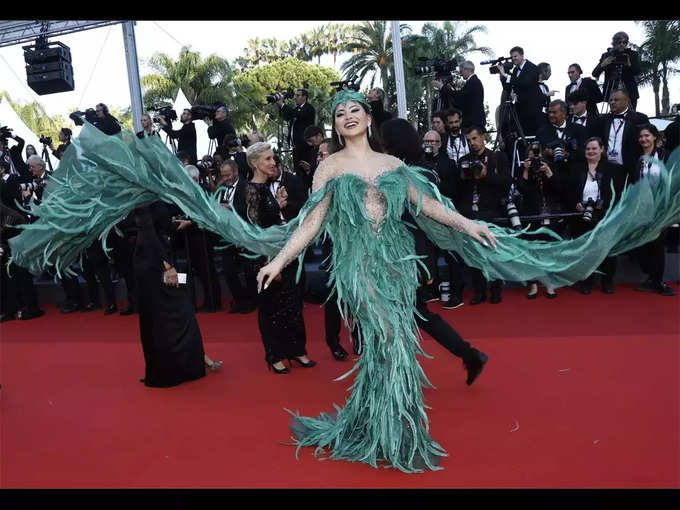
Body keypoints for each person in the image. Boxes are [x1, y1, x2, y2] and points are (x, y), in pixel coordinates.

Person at [10, 91, 680, 473]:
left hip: (395, 261)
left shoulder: (393, 160)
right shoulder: (328, 173)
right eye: (338, 114)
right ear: (332, 127)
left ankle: (384, 424)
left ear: (369, 115)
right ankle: (398, 434)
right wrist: (276, 259)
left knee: (393, 343)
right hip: (359, 268)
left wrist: (472, 227)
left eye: (354, 109)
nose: (346, 117)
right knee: (387, 334)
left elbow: (428, 207)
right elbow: (309, 225)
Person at [133, 201, 222, 387]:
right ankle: (176, 367)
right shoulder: (143, 199)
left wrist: (176, 224)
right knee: (174, 314)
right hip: (154, 265)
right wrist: (167, 265)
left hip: (155, 260)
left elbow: (158, 227)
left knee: (172, 315)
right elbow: (148, 234)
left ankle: (192, 361)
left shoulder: (153, 195)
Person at [245, 142, 315, 374]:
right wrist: (265, 263)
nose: (273, 162)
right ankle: (274, 355)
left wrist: (280, 205)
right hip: (268, 258)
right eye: (267, 159)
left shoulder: (269, 188)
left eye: (273, 158)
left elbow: (276, 218)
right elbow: (254, 230)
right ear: (255, 163)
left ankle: (296, 350)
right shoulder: (252, 190)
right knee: (271, 307)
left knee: (293, 304)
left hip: (286, 254)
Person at [451, 126, 512, 305]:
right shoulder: (464, 160)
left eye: (475, 139)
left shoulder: (497, 157)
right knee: (474, 253)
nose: (472, 143)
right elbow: (457, 191)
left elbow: (507, 183)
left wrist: (486, 176)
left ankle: (495, 289)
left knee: (492, 252)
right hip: (470, 212)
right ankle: (479, 290)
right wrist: (462, 177)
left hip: (491, 212)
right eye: (469, 141)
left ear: (483, 138)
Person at [566, 137, 622, 294]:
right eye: (588, 149)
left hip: (605, 215)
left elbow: (617, 192)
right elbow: (568, 192)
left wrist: (606, 205)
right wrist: (575, 203)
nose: (590, 151)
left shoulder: (612, 169)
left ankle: (608, 281)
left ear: (602, 149)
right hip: (581, 216)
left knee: (607, 251)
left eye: (594, 148)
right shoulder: (577, 168)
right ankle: (586, 281)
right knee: (585, 251)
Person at [631, 124, 675, 296]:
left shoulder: (666, 156)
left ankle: (659, 281)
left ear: (655, 137)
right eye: (641, 136)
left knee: (657, 243)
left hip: (661, 207)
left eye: (647, 136)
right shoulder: (639, 159)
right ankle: (650, 277)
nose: (644, 139)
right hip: (642, 207)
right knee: (645, 243)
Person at [214, 159, 257, 314]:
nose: (226, 178)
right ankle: (240, 300)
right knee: (228, 270)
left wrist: (231, 208)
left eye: (228, 175)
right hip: (227, 236)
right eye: (223, 175)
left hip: (245, 234)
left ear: (236, 171)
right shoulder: (222, 188)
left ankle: (252, 301)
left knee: (249, 270)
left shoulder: (247, 186)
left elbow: (251, 211)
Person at [591, 89, 649, 175]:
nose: (612, 102)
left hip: (631, 169)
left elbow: (648, 142)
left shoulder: (639, 119)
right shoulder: (602, 120)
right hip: (607, 169)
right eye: (610, 100)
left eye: (616, 100)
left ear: (626, 101)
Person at [496, 46, 546, 136]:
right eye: (512, 57)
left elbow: (525, 82)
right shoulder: (515, 70)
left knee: (533, 136)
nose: (513, 59)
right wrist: (502, 77)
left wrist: (507, 76)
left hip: (533, 110)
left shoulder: (533, 67)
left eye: (515, 56)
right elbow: (508, 88)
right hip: (520, 110)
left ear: (522, 55)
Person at [592, 32, 641, 109]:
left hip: (629, 91)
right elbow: (594, 73)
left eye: (625, 42)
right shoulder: (606, 55)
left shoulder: (632, 54)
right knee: (614, 113)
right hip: (612, 90)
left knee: (631, 116)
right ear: (614, 43)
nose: (622, 44)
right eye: (619, 42)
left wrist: (629, 64)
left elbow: (637, 71)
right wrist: (603, 64)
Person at [277, 89, 315, 173]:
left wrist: (283, 105)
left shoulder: (308, 108)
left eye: (298, 95)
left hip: (306, 147)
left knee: (306, 171)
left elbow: (297, 114)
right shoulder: (297, 109)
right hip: (296, 146)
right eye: (295, 95)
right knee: (298, 171)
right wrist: (280, 105)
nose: (295, 97)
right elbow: (287, 116)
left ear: (304, 97)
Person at [450, 61, 486, 130]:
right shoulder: (472, 82)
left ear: (467, 70)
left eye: (461, 71)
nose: (460, 74)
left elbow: (461, 97)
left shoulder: (473, 82)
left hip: (473, 123)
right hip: (472, 122)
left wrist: (444, 88)